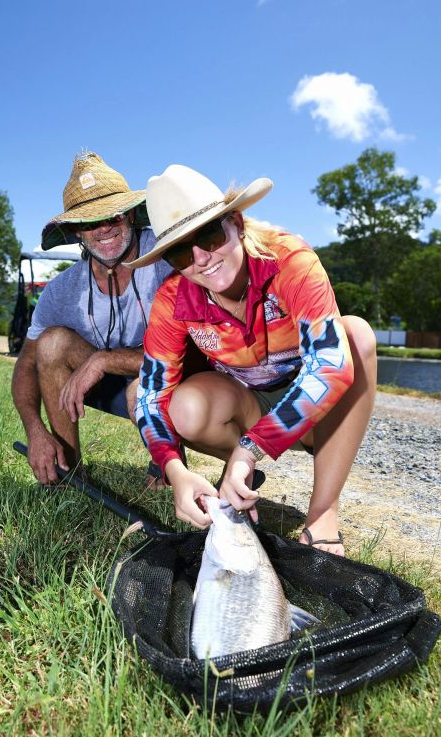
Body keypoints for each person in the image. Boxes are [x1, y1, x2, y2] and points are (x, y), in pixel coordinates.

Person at [126, 164, 377, 556]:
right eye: (180, 252)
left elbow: (331, 364)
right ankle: (240, 480)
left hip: (318, 413)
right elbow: (150, 396)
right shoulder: (172, 299)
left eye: (209, 236)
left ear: (237, 224)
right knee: (181, 405)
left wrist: (250, 450)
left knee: (357, 336)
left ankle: (322, 513)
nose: (201, 259)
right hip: (247, 402)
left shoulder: (289, 258)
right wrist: (175, 471)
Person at [12, 151, 173, 486]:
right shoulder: (62, 290)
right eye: (89, 222)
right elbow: (25, 364)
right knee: (51, 344)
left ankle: (169, 462)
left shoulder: (167, 256)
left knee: (141, 390)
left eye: (113, 216)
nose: (104, 229)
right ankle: (69, 474)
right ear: (77, 233)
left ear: (131, 215)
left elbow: (186, 351)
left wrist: (104, 360)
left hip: (170, 377)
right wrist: (35, 430)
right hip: (107, 383)